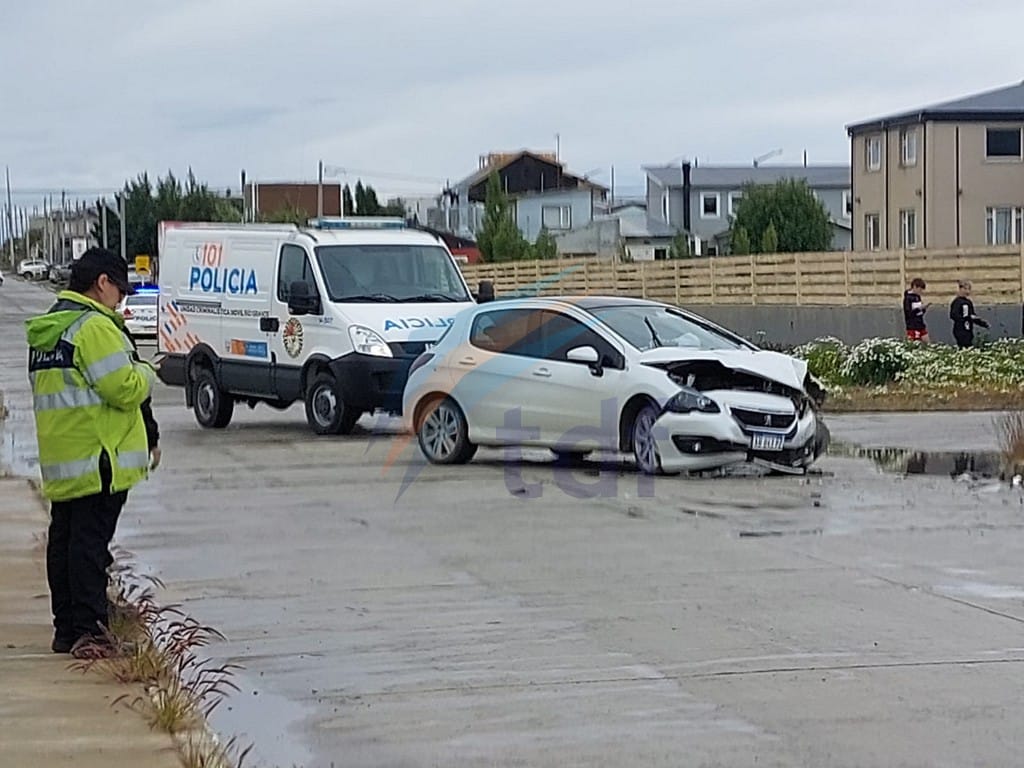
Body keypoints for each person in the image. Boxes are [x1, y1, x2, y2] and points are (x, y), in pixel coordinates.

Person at [25, 247, 158, 658]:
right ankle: (91, 634)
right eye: (120, 291)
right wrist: (148, 370)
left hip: (65, 458)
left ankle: (67, 629)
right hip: (101, 457)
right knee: (88, 548)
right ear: (102, 283)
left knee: (65, 542)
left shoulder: (51, 328)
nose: (121, 300)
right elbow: (123, 388)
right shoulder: (94, 327)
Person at [949, 279, 989, 349]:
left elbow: (972, 315)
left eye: (969, 289)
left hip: (968, 329)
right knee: (963, 345)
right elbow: (953, 315)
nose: (967, 291)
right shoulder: (957, 302)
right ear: (960, 289)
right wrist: (965, 318)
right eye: (965, 289)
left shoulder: (968, 302)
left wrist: (982, 323)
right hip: (960, 329)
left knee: (969, 344)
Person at [903, 277, 930, 343]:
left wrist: (924, 309)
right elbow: (908, 313)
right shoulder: (908, 298)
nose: (921, 292)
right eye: (919, 289)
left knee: (927, 342)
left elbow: (920, 313)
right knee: (915, 344)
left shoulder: (918, 297)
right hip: (912, 326)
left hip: (920, 324)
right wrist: (919, 309)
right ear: (914, 287)